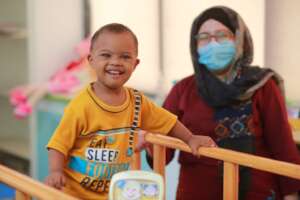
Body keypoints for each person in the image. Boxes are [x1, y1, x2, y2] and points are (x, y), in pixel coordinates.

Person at [44, 23, 216, 200]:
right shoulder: (81, 105)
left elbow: (168, 122)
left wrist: (190, 138)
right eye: (106, 55)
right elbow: (58, 145)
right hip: (75, 193)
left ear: (135, 63)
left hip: (114, 193)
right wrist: (55, 171)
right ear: (91, 60)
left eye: (125, 57)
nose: (115, 62)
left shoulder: (137, 101)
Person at [147, 6, 300, 200]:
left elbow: (283, 146)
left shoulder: (262, 86)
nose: (213, 43)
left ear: (238, 40)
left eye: (221, 35)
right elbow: (163, 152)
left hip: (258, 194)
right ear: (195, 45)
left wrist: (291, 195)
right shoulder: (183, 90)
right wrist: (148, 141)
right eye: (203, 37)